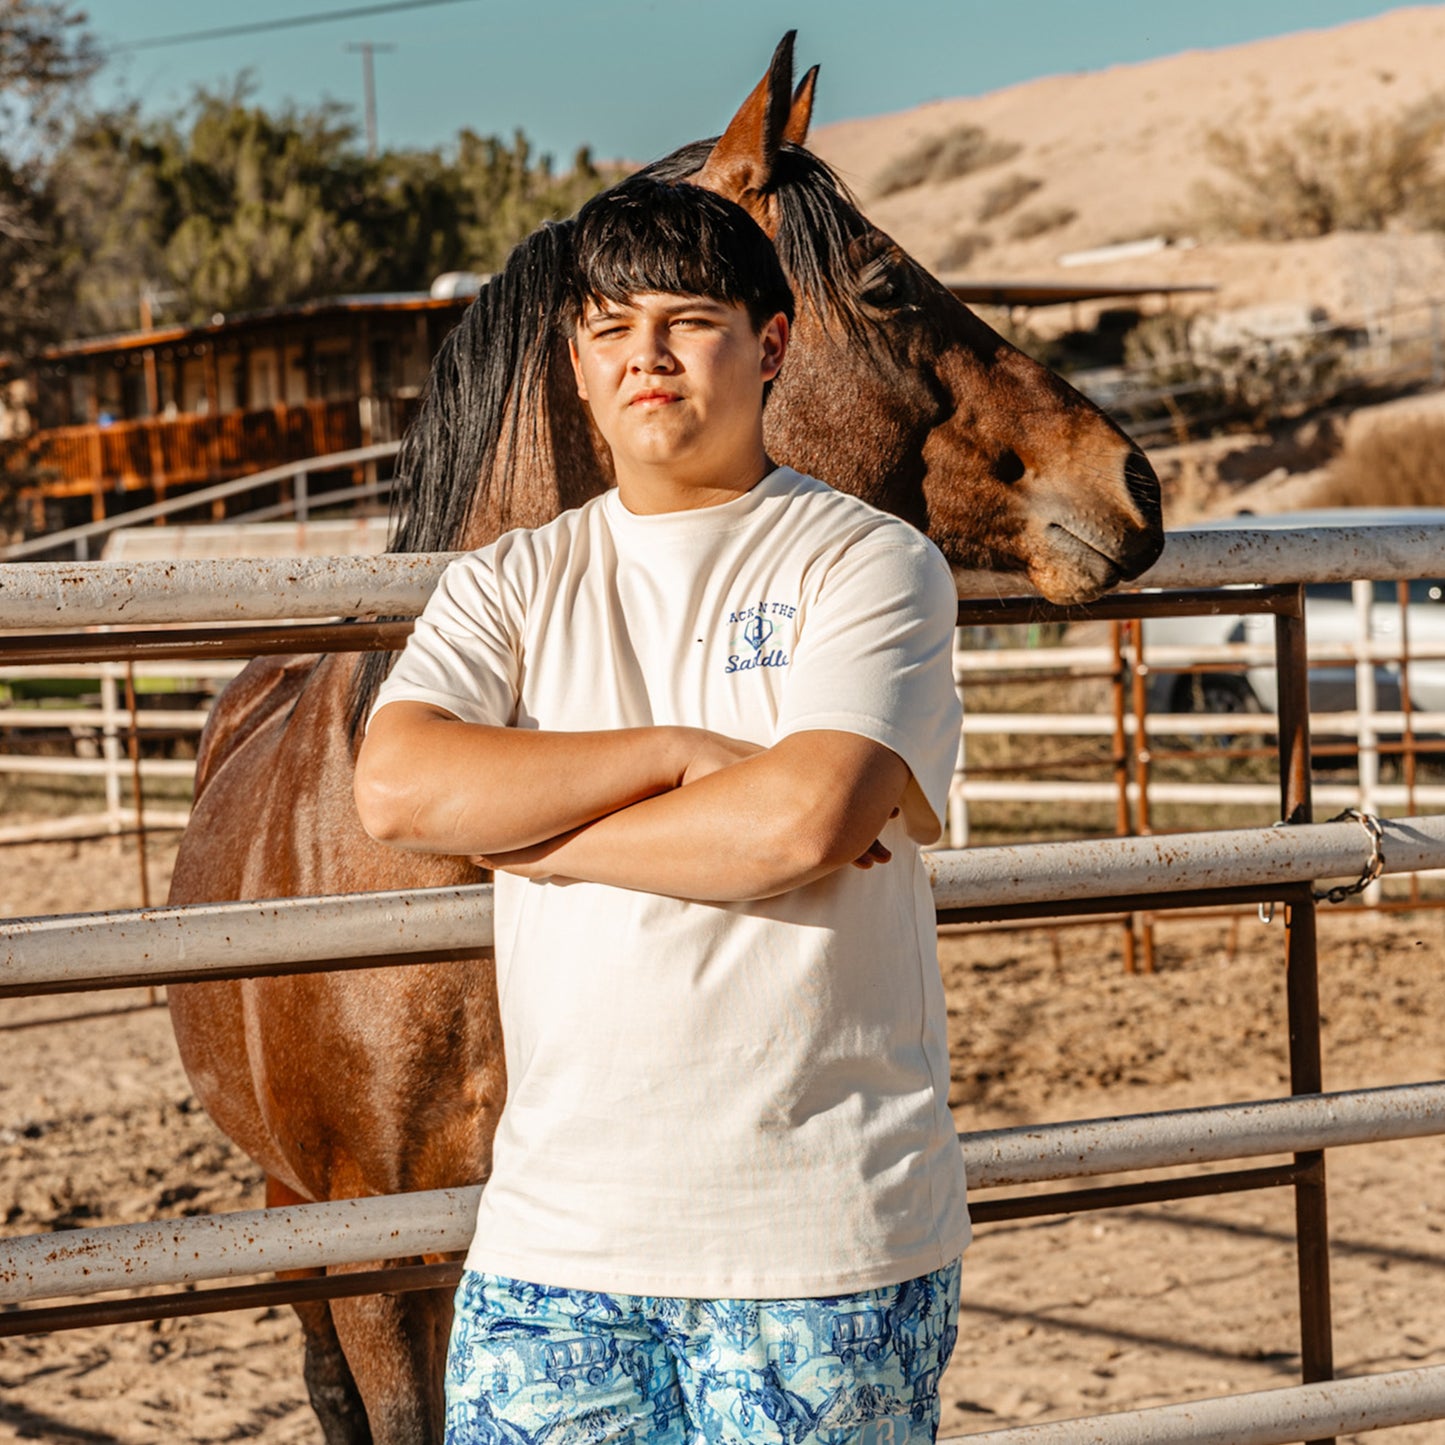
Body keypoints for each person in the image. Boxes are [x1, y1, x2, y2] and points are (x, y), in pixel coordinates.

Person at [354, 175, 969, 1445]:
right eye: (609, 328)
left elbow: (793, 828)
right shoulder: (507, 584)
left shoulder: (865, 561)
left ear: (772, 344)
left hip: (818, 1249)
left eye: (688, 319)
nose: (646, 356)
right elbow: (400, 786)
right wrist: (681, 754)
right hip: (553, 1255)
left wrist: (523, 828)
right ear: (575, 365)